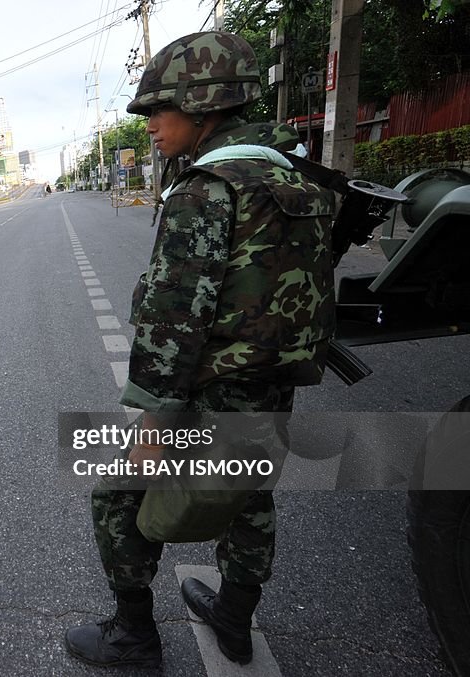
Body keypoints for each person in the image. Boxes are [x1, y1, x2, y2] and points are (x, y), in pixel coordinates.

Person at [64, 31, 336, 668]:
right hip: (274, 382)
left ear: (202, 104)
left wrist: (154, 416)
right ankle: (234, 621)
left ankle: (133, 635)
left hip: (209, 390)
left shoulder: (205, 189)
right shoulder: (296, 178)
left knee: (115, 489)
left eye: (158, 110)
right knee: (248, 494)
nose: (150, 126)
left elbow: (175, 315)